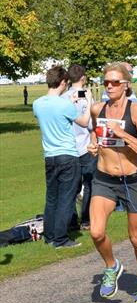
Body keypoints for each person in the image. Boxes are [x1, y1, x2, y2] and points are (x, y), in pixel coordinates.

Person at [87, 63, 137, 303]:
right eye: (106, 82)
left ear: (126, 85)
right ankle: (111, 266)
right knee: (96, 232)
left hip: (133, 180)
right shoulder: (97, 109)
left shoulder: (135, 110)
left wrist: (124, 134)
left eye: (115, 82)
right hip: (104, 179)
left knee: (136, 239)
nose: (109, 86)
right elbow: (95, 135)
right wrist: (94, 146)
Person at [33, 66, 90, 248]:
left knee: (52, 197)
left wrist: (71, 103)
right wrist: (87, 103)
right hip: (68, 155)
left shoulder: (37, 103)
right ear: (64, 82)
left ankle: (50, 236)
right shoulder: (65, 105)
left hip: (50, 156)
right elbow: (84, 121)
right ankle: (61, 238)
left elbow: (53, 113)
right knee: (67, 198)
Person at [61, 65, 96, 230]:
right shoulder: (87, 96)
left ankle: (72, 220)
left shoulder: (63, 97)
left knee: (71, 186)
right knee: (89, 183)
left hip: (68, 147)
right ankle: (86, 219)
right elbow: (91, 123)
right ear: (83, 78)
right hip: (85, 146)